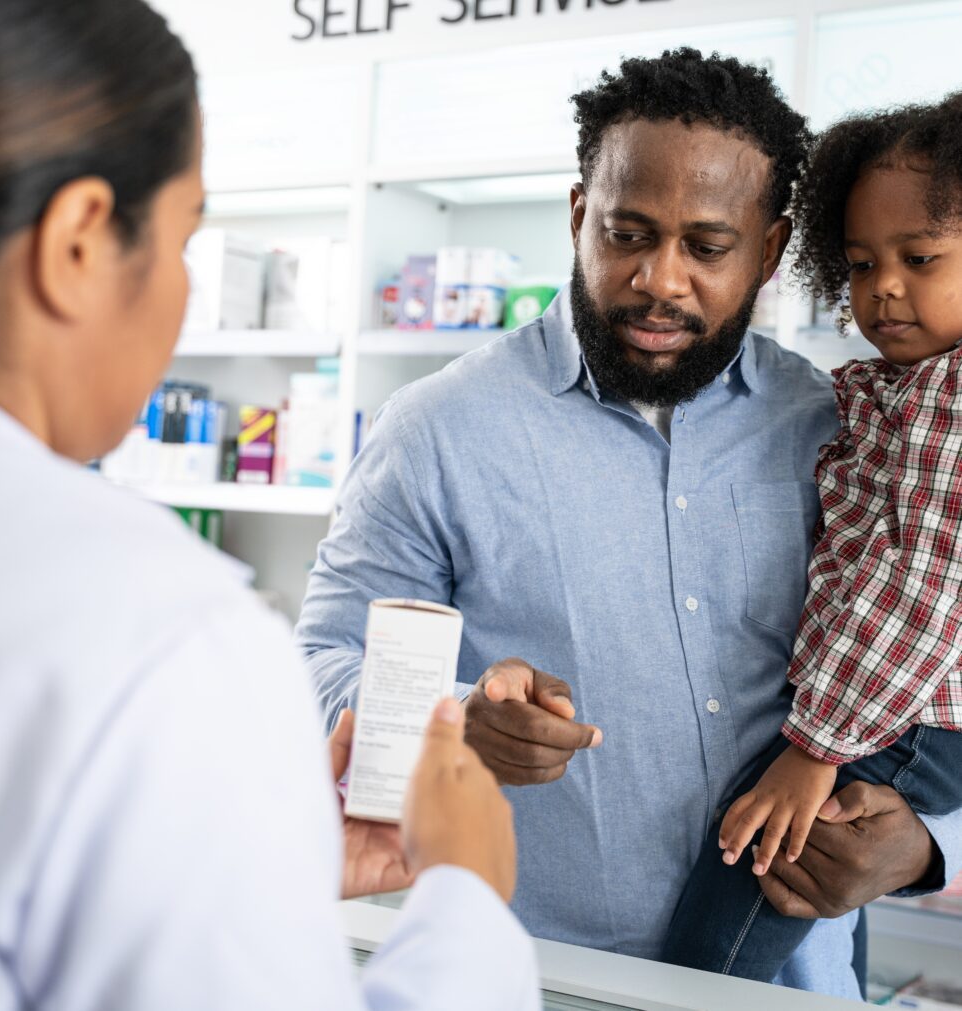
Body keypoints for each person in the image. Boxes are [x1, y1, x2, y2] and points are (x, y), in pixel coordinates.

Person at [295, 48, 962, 1000]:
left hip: (794, 981)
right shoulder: (439, 430)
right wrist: (454, 718)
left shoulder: (839, 427)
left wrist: (926, 842)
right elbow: (323, 654)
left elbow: (944, 644)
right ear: (578, 217)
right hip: (533, 977)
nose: (660, 279)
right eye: (626, 233)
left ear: (770, 252)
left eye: (707, 245)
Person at [0, 2, 540, 1009]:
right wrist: (466, 899)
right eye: (185, 237)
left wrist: (247, 855)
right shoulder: (160, 630)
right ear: (81, 241)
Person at [661, 92, 962, 983]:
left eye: (920, 258)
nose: (884, 289)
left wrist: (812, 749)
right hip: (875, 710)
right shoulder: (898, 388)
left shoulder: (950, 401)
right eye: (862, 263)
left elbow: (921, 585)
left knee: (748, 877)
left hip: (888, 718)